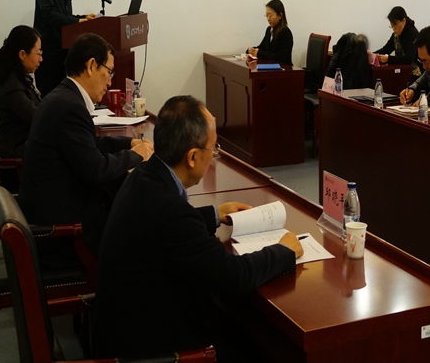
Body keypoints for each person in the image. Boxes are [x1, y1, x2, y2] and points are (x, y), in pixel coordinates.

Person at [95, 95, 303, 361]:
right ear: (192, 156)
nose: (213, 156)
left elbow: (165, 229)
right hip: (154, 350)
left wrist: (215, 214)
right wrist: (284, 251)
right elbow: (235, 276)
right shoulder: (170, 212)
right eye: (213, 149)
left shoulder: (144, 177)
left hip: (124, 328)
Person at [19, 33, 154, 258]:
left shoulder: (62, 96)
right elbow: (96, 170)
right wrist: (136, 156)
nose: (110, 81)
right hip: (64, 231)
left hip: (51, 210)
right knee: (141, 230)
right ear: (91, 66)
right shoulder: (70, 106)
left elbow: (89, 145)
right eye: (109, 72)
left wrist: (129, 142)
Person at [33, 0, 96, 96]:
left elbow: (64, 16)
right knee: (51, 100)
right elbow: (50, 15)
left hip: (62, 54)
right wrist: (77, 21)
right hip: (49, 56)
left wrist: (83, 18)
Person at [0, 26, 43, 193]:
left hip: (26, 155)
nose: (41, 59)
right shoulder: (11, 86)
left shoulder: (20, 79)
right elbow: (36, 117)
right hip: (16, 165)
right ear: (22, 54)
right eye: (38, 53)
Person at [374, 6, 422, 80]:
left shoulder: (413, 34)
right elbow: (385, 50)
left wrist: (388, 59)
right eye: (392, 26)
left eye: (395, 25)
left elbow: (409, 58)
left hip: (415, 75)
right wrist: (373, 55)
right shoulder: (396, 35)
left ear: (403, 21)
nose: (394, 29)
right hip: (402, 72)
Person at [246, 0, 293, 65]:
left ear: (280, 15)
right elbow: (262, 47)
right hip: (270, 66)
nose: (268, 19)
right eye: (267, 16)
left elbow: (282, 57)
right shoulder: (269, 30)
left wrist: (259, 53)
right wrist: (252, 50)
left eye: (270, 16)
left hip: (283, 68)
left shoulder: (286, 33)